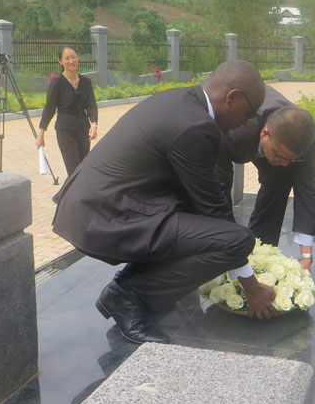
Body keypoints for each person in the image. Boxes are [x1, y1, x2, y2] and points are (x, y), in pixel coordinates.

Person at [51, 60, 275, 344]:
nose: (248, 121)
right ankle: (125, 296)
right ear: (233, 97)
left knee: (199, 222)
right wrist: (251, 287)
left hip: (96, 206)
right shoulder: (196, 126)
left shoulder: (181, 101)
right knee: (236, 240)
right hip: (104, 215)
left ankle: (130, 285)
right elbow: (216, 213)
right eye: (250, 112)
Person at [216, 86, 315, 271]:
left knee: (280, 179)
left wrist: (306, 257)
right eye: (280, 156)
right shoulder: (237, 129)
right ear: (264, 134)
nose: (286, 163)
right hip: (228, 140)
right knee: (216, 198)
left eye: (291, 159)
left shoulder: (306, 135)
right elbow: (218, 186)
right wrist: (227, 248)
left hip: (271, 138)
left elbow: (307, 188)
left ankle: (260, 255)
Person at [35, 46, 98, 175]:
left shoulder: (86, 82)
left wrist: (94, 125)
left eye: (73, 57)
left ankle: (80, 194)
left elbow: (91, 104)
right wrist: (41, 134)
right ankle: (71, 194)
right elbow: (49, 109)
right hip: (65, 130)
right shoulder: (57, 83)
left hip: (83, 128)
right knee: (73, 169)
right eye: (67, 58)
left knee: (84, 167)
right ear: (60, 61)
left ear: (78, 58)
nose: (71, 61)